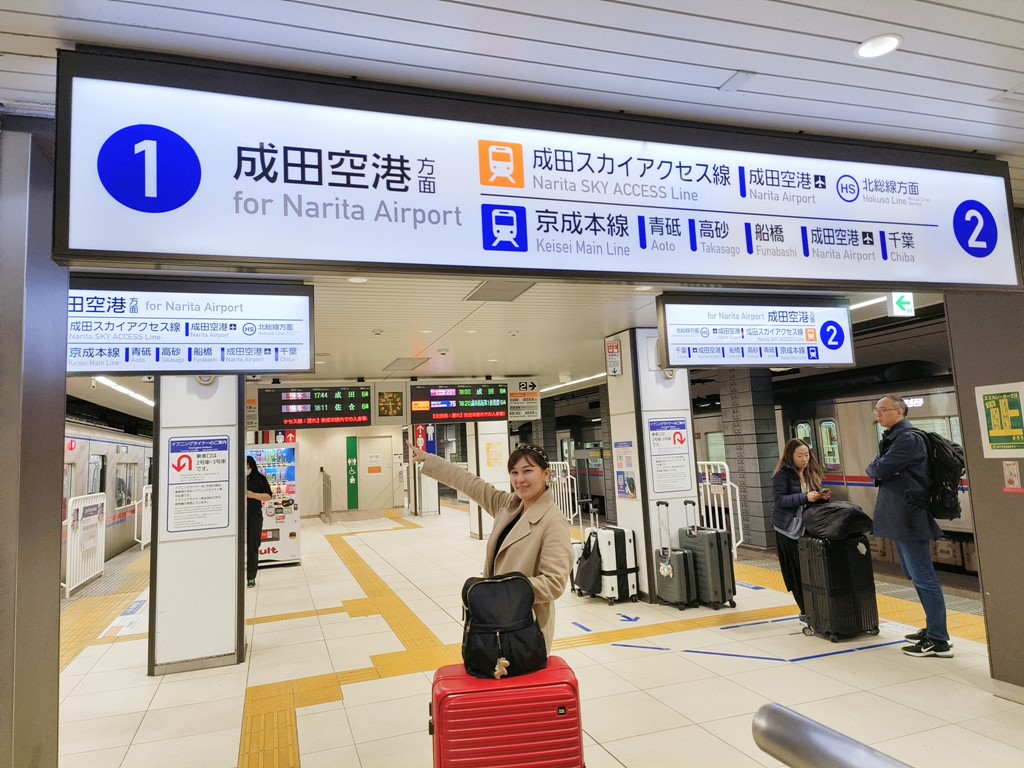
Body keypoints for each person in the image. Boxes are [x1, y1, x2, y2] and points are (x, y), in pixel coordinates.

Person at [408, 442, 574, 654]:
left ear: (546, 474)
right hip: (495, 622)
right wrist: (429, 460)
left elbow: (554, 583)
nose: (519, 479)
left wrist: (498, 591)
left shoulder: (553, 521)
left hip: (525, 629)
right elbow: (471, 484)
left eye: (527, 471)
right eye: (514, 472)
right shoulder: (509, 506)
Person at [866, 395, 952, 658]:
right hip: (903, 515)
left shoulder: (907, 439)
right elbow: (881, 468)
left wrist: (877, 468)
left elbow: (878, 469)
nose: (878, 414)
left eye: (883, 410)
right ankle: (932, 629)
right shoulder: (895, 437)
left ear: (900, 412)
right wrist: (879, 468)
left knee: (923, 576)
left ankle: (939, 640)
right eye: (877, 410)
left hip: (909, 515)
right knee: (914, 574)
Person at [771, 438, 829, 618]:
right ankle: (805, 610)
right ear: (790, 456)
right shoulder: (782, 474)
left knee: (812, 570)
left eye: (807, 455)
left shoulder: (811, 472)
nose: (804, 459)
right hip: (788, 529)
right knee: (797, 571)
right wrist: (805, 497)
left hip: (808, 527)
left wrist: (820, 497)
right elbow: (780, 500)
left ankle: (818, 607)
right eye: (800, 455)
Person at [245, 455, 273, 588]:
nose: (246, 469)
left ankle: (251, 576)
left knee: (253, 545)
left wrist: (253, 495)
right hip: (238, 517)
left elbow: (268, 496)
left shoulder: (260, 479)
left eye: (248, 467)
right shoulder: (236, 477)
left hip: (254, 515)